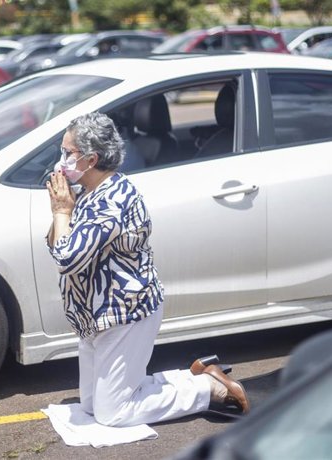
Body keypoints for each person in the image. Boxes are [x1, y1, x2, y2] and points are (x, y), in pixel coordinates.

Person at [45, 112, 250, 428]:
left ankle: (206, 387)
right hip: (94, 317)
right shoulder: (88, 193)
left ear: (91, 158)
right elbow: (55, 241)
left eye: (68, 153)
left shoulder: (110, 202)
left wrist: (61, 211)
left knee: (114, 414)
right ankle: (192, 375)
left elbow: (66, 258)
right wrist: (62, 211)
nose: (62, 160)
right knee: (89, 405)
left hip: (125, 314)